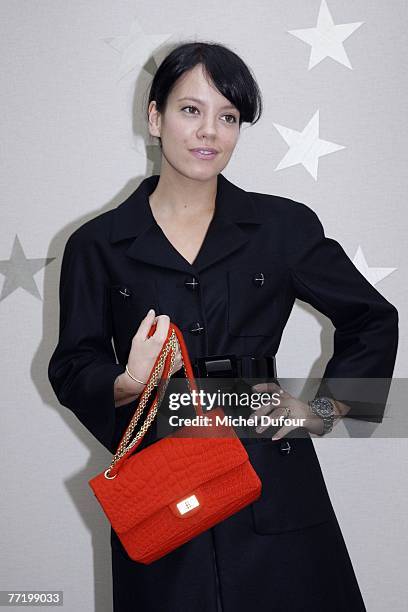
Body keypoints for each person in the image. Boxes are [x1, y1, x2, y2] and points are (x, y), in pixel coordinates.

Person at [48, 41, 399, 611]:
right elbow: (71, 367)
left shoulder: (283, 226)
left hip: (272, 478)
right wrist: (128, 382)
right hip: (163, 479)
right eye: (191, 110)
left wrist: (322, 411)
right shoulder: (96, 244)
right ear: (155, 116)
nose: (209, 131)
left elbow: (373, 319)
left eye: (228, 117)